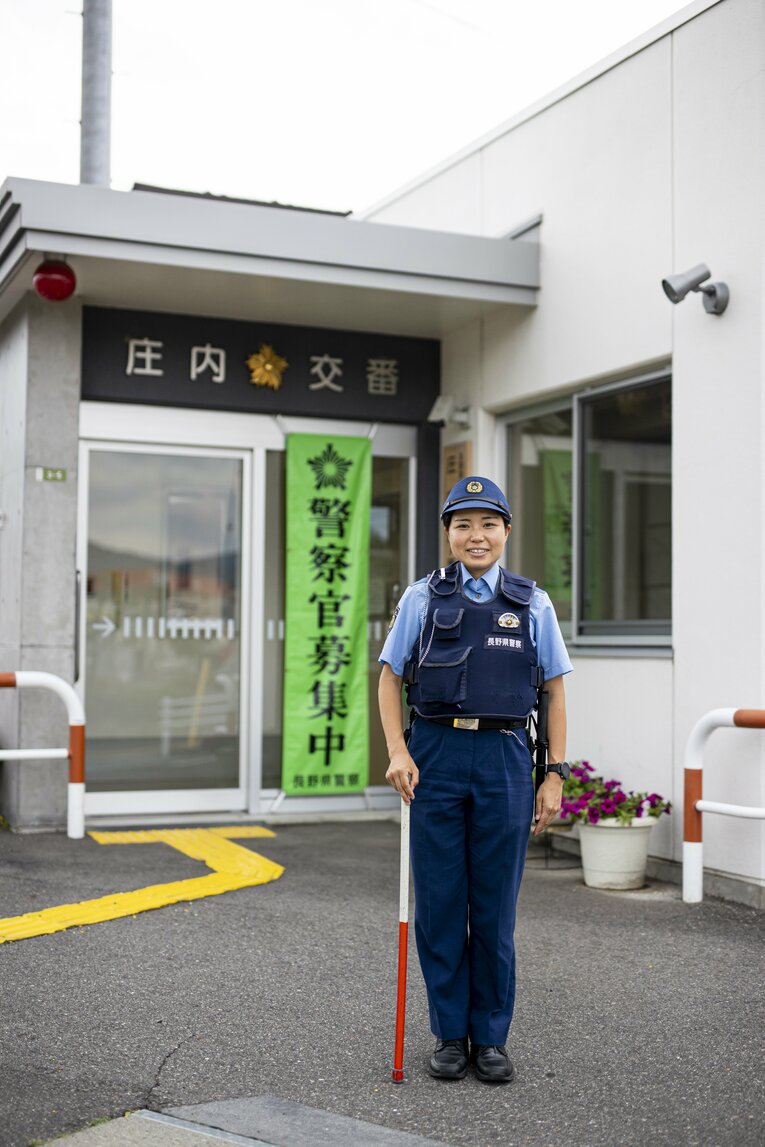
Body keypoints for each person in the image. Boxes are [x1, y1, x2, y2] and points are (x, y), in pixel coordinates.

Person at [378, 475, 572, 1084]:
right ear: (449, 534)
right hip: (434, 753)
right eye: (463, 524)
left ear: (506, 531)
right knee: (439, 904)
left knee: (493, 908)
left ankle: (490, 1037)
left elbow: (554, 691)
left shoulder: (533, 603)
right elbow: (389, 677)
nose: (476, 535)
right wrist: (398, 751)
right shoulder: (422, 598)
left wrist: (554, 774)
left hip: (505, 756)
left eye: (488, 523)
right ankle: (448, 1034)